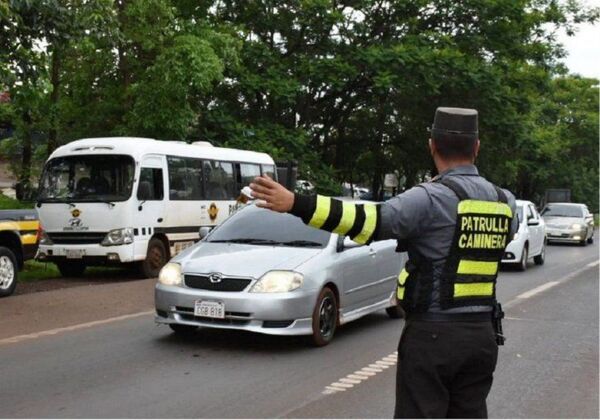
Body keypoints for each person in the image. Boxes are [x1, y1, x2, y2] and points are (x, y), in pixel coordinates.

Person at [249, 107, 517, 419]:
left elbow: (368, 221)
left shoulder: (430, 198)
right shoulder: (504, 201)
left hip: (434, 336)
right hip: (482, 336)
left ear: (431, 145)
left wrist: (297, 203)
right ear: (477, 147)